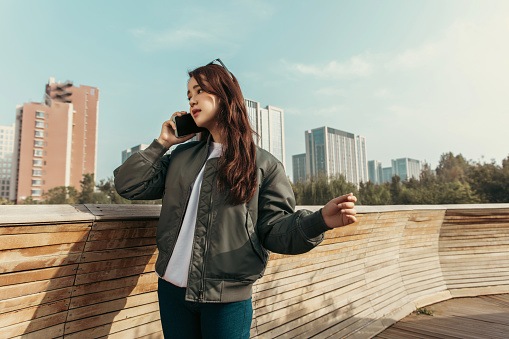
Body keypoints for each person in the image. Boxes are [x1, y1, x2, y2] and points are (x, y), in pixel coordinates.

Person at [113, 59, 357, 339]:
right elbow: (129, 185)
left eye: (199, 91)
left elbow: (274, 231)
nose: (191, 100)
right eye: (188, 95)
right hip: (171, 292)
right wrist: (162, 143)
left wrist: (318, 221)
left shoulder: (264, 165)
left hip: (226, 300)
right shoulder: (180, 157)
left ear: (224, 95)